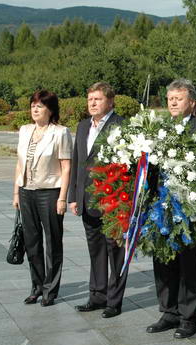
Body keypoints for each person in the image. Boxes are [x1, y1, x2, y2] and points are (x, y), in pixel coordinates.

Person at [146, 79, 196, 339]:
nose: (173, 102)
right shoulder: (159, 129)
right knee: (163, 261)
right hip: (160, 208)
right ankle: (168, 312)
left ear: (192, 102)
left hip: (188, 209)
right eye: (170, 98)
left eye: (178, 98)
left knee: (188, 264)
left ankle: (188, 317)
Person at [68, 82, 127, 318]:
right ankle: (97, 296)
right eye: (90, 99)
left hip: (112, 199)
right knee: (96, 251)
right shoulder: (83, 126)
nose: (92, 103)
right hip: (86, 199)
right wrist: (74, 195)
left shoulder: (121, 126)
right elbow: (77, 162)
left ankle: (114, 301)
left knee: (116, 251)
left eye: (97, 99)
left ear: (110, 101)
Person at [13, 90, 72, 307]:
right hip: (27, 191)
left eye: (39, 105)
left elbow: (66, 168)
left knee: (53, 243)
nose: (35, 109)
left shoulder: (61, 132)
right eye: (32, 105)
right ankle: (36, 286)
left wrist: (62, 198)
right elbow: (19, 164)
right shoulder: (25, 130)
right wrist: (16, 192)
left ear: (50, 109)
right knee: (32, 242)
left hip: (50, 192)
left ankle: (50, 289)